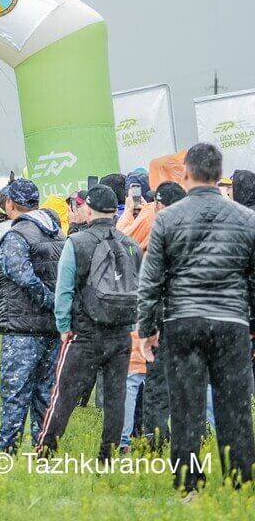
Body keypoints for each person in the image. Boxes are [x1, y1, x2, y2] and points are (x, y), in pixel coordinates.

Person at [136, 143, 255, 494]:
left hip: (183, 323)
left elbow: (151, 279)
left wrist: (147, 328)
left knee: (185, 407)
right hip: (232, 322)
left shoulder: (167, 218)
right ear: (220, 175)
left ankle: (189, 486)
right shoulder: (247, 219)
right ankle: (241, 483)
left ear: (185, 173)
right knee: (235, 408)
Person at [35, 185, 143, 461]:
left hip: (84, 332)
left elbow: (64, 290)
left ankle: (46, 450)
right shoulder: (130, 245)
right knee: (115, 396)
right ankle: (107, 454)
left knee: (65, 394)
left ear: (89, 208)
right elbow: (139, 289)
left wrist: (63, 326)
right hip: (120, 333)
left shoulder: (77, 243)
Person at [0, 178, 64, 454]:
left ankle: (6, 453)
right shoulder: (57, 234)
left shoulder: (17, 236)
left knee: (15, 395)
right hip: (52, 329)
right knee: (46, 395)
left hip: (23, 328)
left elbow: (22, 276)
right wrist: (58, 305)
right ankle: (44, 451)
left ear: (10, 204)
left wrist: (47, 300)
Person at [126, 180, 186, 450]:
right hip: (193, 317)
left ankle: (156, 439)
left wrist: (148, 328)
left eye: (159, 205)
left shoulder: (161, 231)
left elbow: (150, 284)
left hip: (165, 318)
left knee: (158, 384)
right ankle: (192, 436)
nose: (155, 210)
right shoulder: (199, 230)